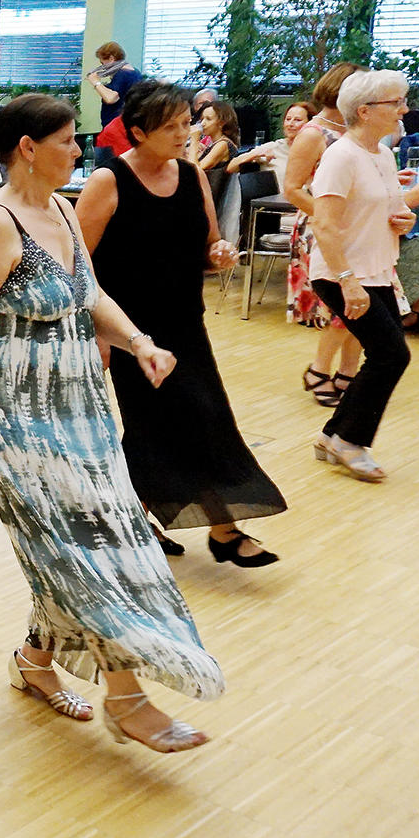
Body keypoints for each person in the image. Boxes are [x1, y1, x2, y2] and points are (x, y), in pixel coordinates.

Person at [0, 93, 222, 754]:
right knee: (81, 547)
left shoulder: (62, 211)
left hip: (79, 406)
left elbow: (89, 294)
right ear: (27, 148)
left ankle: (33, 662)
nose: (79, 150)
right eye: (68, 140)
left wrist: (139, 342)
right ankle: (126, 698)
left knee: (83, 541)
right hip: (14, 417)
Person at [76, 83, 286, 567]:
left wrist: (220, 254)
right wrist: (97, 331)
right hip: (131, 329)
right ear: (138, 132)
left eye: (185, 123)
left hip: (186, 321)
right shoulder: (109, 180)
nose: (182, 133)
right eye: (170, 126)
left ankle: (136, 520)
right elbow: (78, 264)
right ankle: (222, 529)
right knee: (165, 421)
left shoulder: (191, 175)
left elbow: (208, 248)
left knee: (196, 417)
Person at [306, 70, 419, 482]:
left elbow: (388, 208)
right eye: (396, 102)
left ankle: (332, 435)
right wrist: (348, 281)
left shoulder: (382, 154)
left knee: (387, 354)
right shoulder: (341, 156)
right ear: (365, 111)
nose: (404, 109)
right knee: (392, 355)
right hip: (341, 273)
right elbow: (324, 224)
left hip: (376, 269)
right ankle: (350, 441)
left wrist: (403, 220)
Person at [285, 63, 367, 406]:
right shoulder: (314, 133)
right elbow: (292, 188)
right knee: (341, 309)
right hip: (323, 228)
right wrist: (330, 217)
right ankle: (319, 370)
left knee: (365, 304)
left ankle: (347, 373)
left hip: (360, 229)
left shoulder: (357, 130)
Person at [227, 100, 315, 187]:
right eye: (288, 119)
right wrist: (256, 153)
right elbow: (231, 167)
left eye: (297, 120)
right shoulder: (273, 147)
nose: (290, 124)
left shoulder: (317, 150)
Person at [84, 42, 145, 126]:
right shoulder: (135, 72)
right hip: (129, 122)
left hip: (117, 124)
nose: (102, 66)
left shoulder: (122, 74)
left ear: (111, 59)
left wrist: (96, 82)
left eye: (102, 63)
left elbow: (111, 98)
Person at [190, 99, 240, 172]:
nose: (202, 123)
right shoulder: (214, 143)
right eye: (202, 119)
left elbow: (194, 170)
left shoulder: (223, 145)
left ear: (222, 123)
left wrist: (194, 141)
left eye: (208, 119)